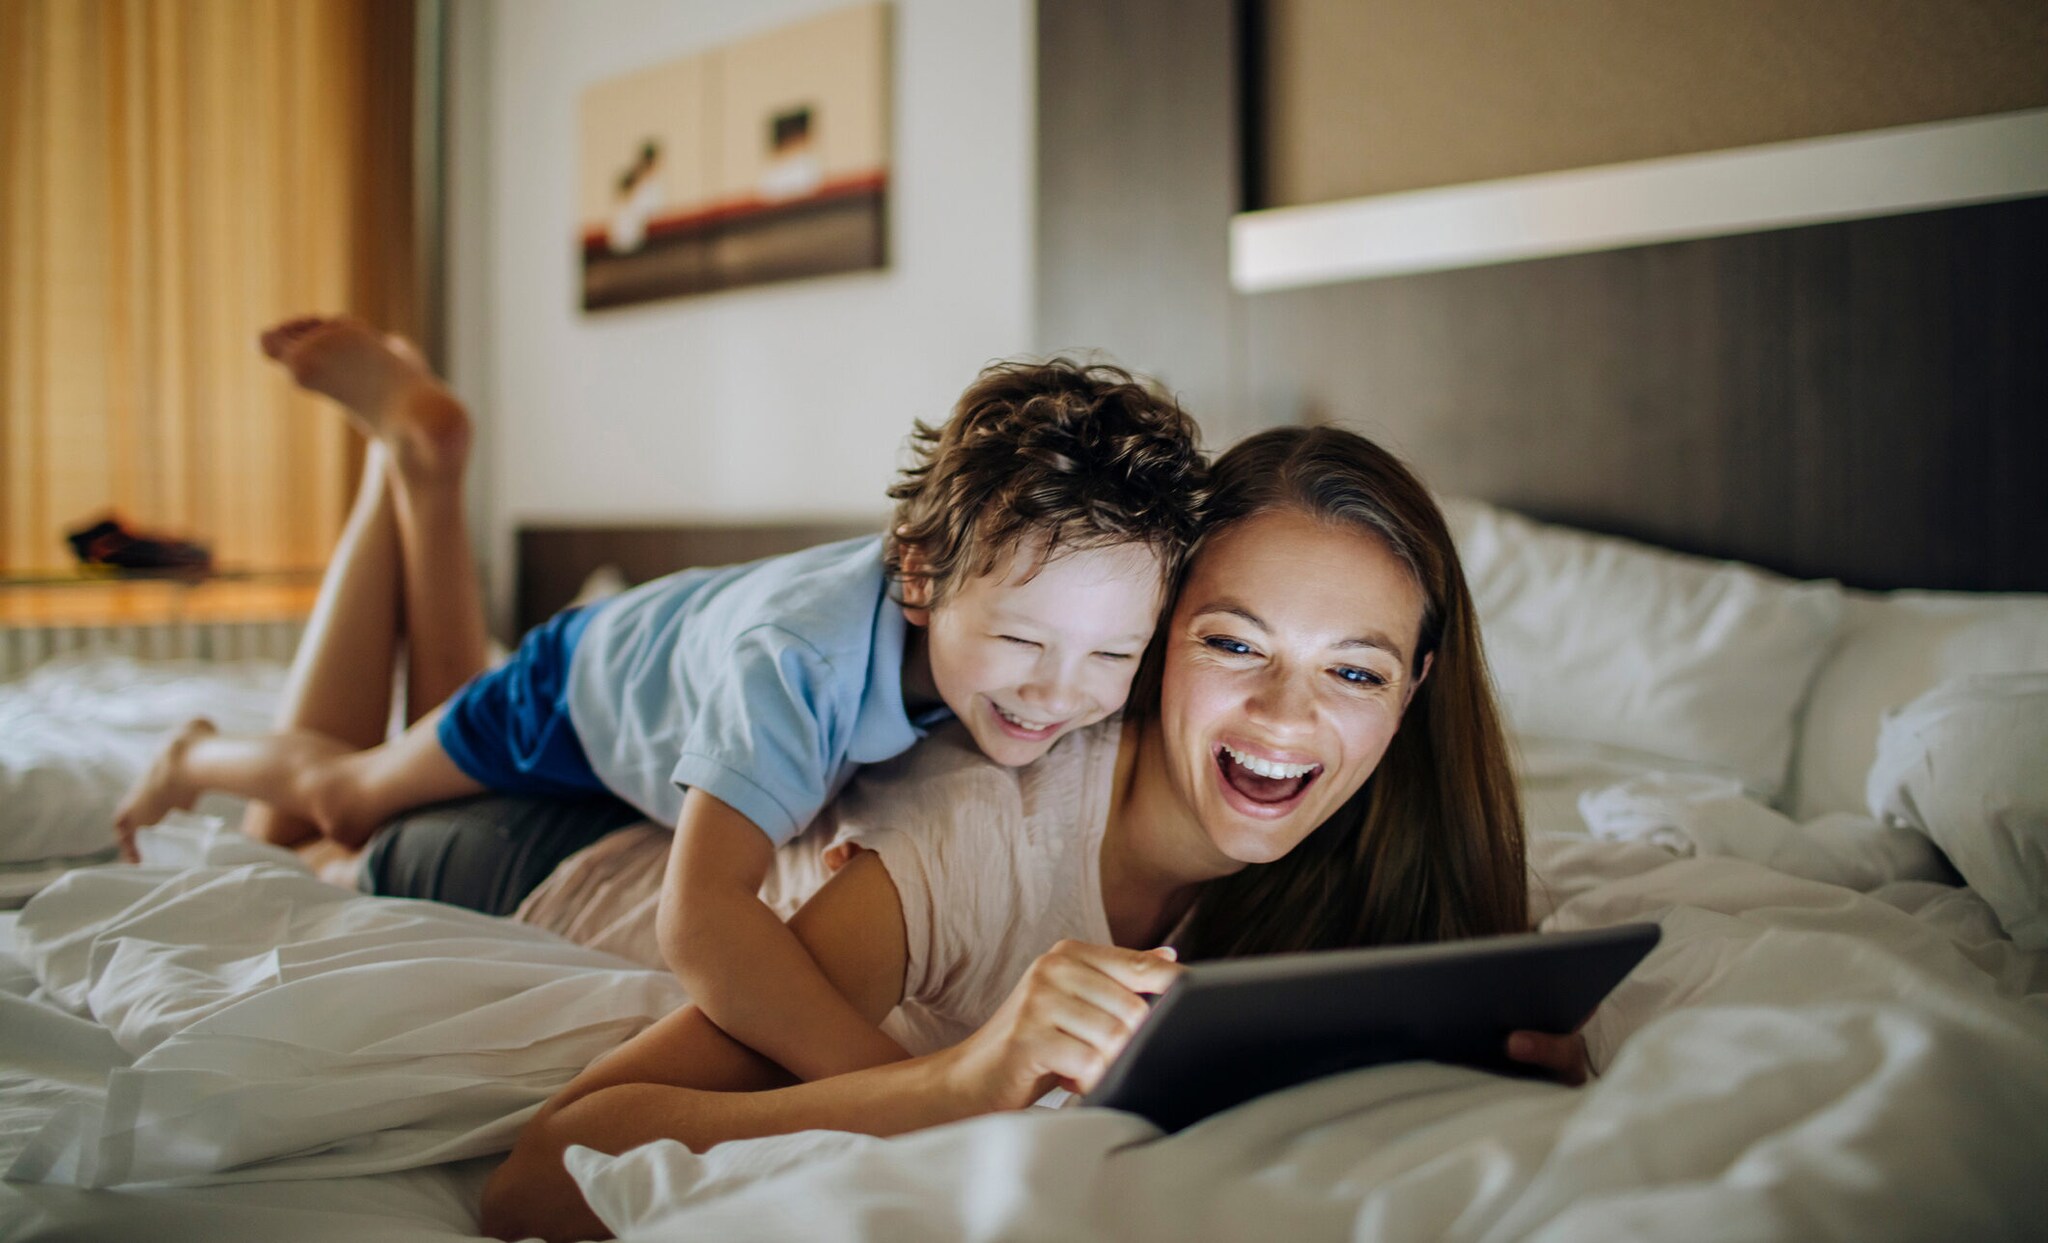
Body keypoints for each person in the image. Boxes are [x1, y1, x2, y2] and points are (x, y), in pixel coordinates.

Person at [482, 425, 1577, 1243]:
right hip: (558, 854)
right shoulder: (971, 841)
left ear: (1414, 687)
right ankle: (429, 492)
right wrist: (959, 1087)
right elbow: (537, 1174)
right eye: (1234, 644)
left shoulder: (1393, 853)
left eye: (1352, 670)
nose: (1286, 719)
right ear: (1155, 643)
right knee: (401, 768)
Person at [113, 316, 1207, 1086]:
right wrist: (895, 1084)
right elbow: (700, 920)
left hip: (664, 657)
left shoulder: (1065, 639)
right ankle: (197, 754)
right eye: (1019, 639)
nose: (1061, 693)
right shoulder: (802, 669)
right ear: (917, 577)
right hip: (578, 694)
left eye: (1111, 654)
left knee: (423, 735)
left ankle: (418, 468)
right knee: (352, 800)